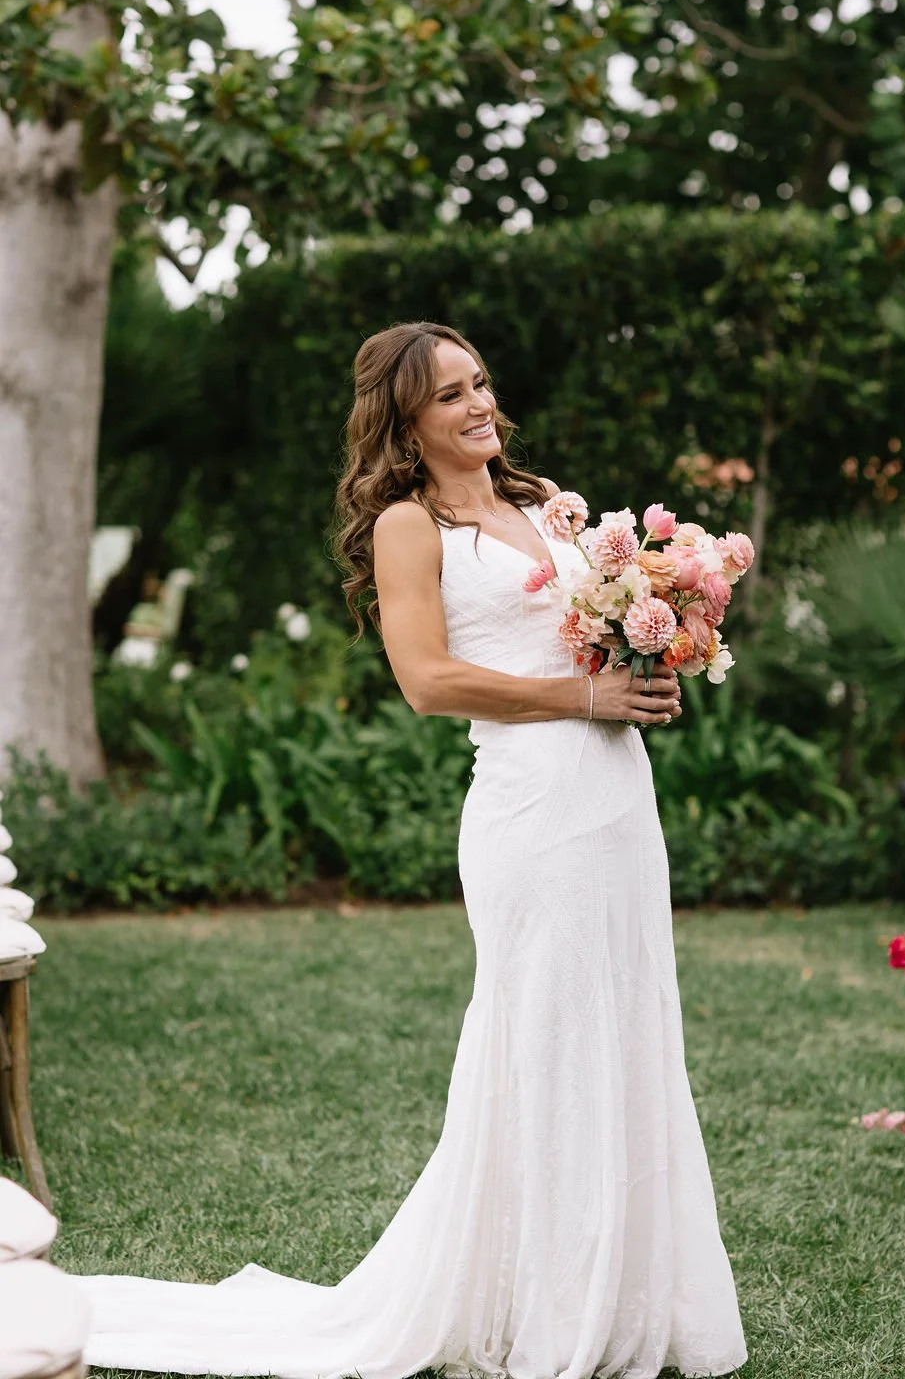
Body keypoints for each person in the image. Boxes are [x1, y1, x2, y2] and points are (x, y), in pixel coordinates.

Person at [71, 321, 748, 1379]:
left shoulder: (547, 506)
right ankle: (547, 1316)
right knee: (545, 1044)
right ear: (405, 420)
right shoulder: (405, 525)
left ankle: (628, 1300)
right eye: (449, 396)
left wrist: (655, 646)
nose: (478, 405)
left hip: (617, 799)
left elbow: (594, 635)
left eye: (481, 383)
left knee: (626, 1027)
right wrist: (582, 693)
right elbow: (428, 680)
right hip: (530, 816)